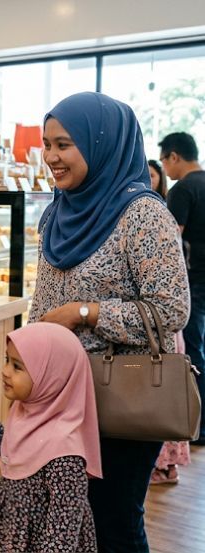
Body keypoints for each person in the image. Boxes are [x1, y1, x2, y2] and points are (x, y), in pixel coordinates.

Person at [30, 92, 189, 553]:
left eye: (64, 144)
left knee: (114, 521)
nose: (52, 157)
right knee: (72, 519)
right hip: (60, 394)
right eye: (47, 144)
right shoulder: (56, 211)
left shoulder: (144, 214)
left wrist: (86, 312)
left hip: (120, 397)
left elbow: (171, 310)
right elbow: (46, 300)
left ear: (103, 145)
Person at [0, 322, 102, 552]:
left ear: (52, 378)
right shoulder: (26, 415)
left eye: (17, 367)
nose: (5, 371)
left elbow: (61, 539)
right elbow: (15, 449)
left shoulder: (66, 455)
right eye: (6, 360)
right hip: (12, 535)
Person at [160, 131, 205, 444]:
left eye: (164, 160)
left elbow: (171, 244)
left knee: (192, 353)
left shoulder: (182, 189)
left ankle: (196, 425)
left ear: (174, 156)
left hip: (193, 282)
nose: (164, 169)